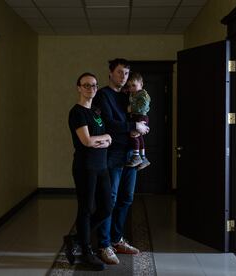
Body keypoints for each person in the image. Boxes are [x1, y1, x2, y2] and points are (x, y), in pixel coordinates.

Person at [93, 59, 150, 265]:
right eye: (119, 72)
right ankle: (104, 244)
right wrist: (133, 125)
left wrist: (141, 125)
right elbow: (108, 122)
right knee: (110, 199)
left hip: (130, 154)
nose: (123, 77)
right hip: (113, 153)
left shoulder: (130, 95)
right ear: (110, 73)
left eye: (126, 73)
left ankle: (117, 240)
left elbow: (141, 112)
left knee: (126, 198)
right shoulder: (103, 95)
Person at [64, 72, 113, 271]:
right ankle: (85, 251)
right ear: (78, 88)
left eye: (94, 85)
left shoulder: (96, 112)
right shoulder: (77, 112)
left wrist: (102, 139)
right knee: (85, 209)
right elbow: (86, 141)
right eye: (86, 85)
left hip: (102, 167)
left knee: (106, 208)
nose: (91, 89)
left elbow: (107, 138)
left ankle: (75, 238)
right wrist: (102, 140)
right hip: (85, 168)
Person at [126, 72, 151, 170]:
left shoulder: (143, 95)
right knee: (139, 136)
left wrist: (131, 108)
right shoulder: (133, 93)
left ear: (141, 84)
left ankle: (136, 156)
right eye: (129, 86)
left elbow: (143, 106)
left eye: (134, 85)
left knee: (133, 134)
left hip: (141, 117)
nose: (131, 88)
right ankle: (143, 158)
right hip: (136, 117)